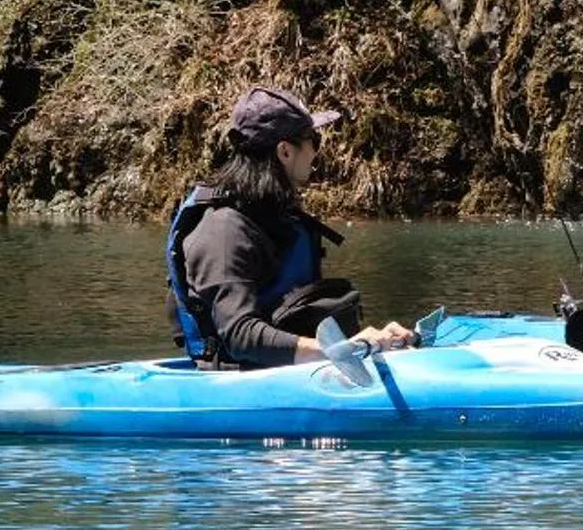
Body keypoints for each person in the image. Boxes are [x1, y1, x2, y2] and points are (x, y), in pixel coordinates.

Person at [165, 86, 414, 366]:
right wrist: (344, 349)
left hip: (294, 370)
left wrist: (378, 341)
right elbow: (239, 336)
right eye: (313, 139)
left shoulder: (275, 217)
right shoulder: (223, 232)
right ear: (284, 151)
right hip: (242, 385)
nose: (316, 151)